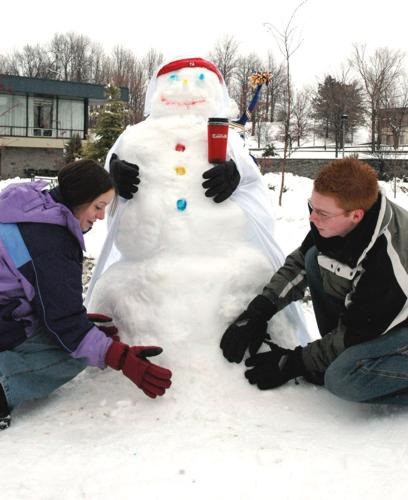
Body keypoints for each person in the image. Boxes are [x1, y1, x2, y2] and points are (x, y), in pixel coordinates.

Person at [0, 159, 172, 430]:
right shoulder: (51, 241)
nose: (101, 216)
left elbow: (37, 290)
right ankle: (4, 387)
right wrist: (122, 358)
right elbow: (65, 325)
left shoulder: (29, 207)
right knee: (73, 353)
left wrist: (76, 321)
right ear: (78, 199)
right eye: (98, 206)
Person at [221, 158, 408, 405]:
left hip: (399, 324)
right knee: (313, 259)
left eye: (321, 213)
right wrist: (258, 311)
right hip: (375, 316)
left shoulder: (388, 262)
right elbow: (300, 264)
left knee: (342, 378)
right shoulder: (341, 222)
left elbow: (356, 333)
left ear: (355, 215)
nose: (312, 218)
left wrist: (296, 362)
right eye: (312, 207)